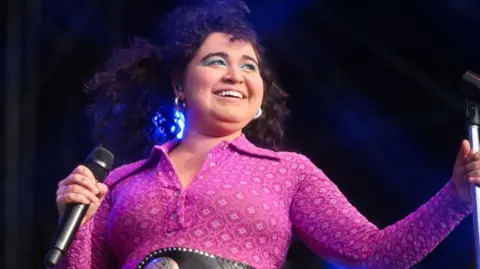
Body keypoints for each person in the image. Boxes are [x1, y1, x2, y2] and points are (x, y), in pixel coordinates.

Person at [53, 1, 479, 268]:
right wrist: (77, 222)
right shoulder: (120, 181)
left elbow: (374, 255)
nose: (235, 74)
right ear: (179, 85)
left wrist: (456, 197)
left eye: (249, 66)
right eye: (216, 61)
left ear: (259, 99)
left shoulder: (288, 172)